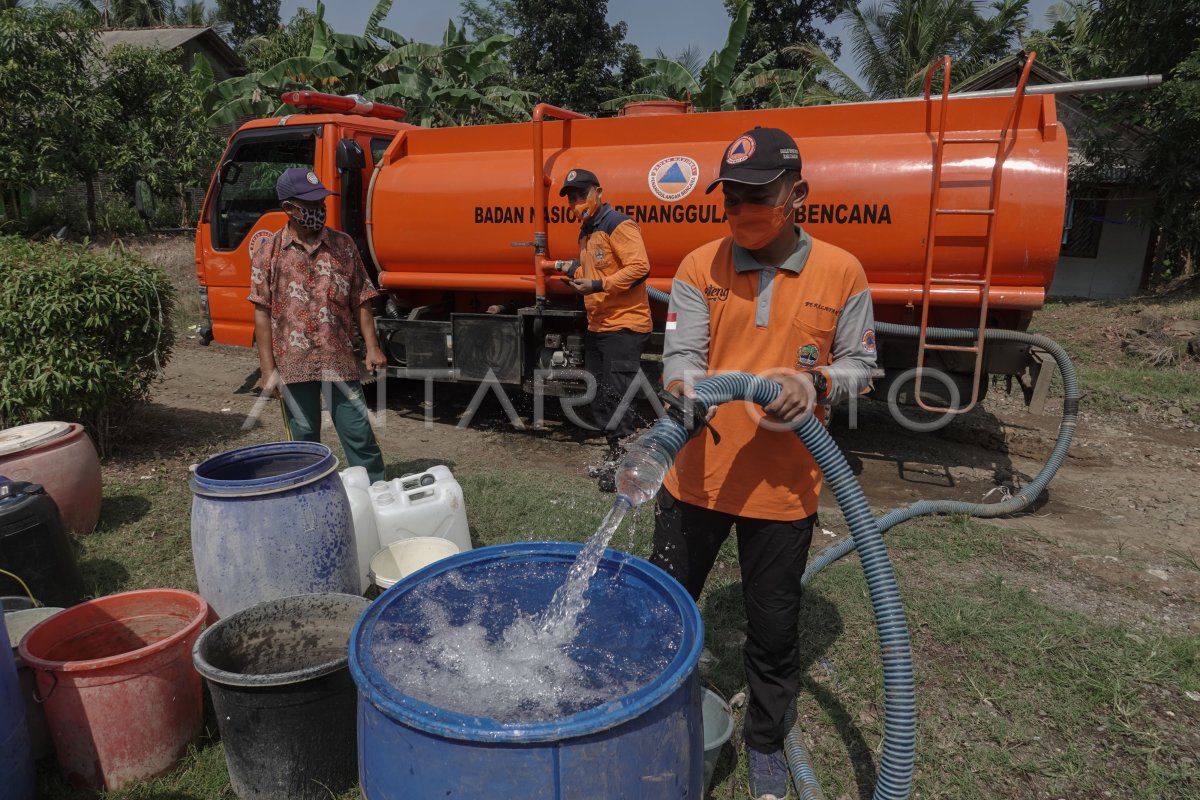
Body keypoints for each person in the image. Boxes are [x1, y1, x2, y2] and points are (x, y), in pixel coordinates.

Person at [651, 127, 877, 800]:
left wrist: (819, 384)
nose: (744, 210)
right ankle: (648, 711)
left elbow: (862, 365)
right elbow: (683, 358)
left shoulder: (842, 272)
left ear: (797, 193)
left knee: (774, 631)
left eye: (759, 196)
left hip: (784, 490)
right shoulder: (699, 267)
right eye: (733, 199)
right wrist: (684, 391)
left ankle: (766, 741)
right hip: (696, 477)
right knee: (662, 611)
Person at [249, 167, 388, 482]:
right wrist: (267, 369)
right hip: (293, 365)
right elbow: (262, 312)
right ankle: (310, 496)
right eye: (310, 205)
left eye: (321, 203)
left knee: (359, 434)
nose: (318, 210)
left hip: (338, 360)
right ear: (288, 208)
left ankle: (377, 495)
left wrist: (372, 347)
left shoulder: (343, 245)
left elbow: (362, 298)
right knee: (304, 444)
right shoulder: (268, 253)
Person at [557, 168, 653, 491]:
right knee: (600, 398)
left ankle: (630, 472)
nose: (576, 203)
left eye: (581, 195)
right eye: (572, 198)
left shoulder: (617, 224)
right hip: (599, 326)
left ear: (598, 192)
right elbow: (595, 267)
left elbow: (640, 268)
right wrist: (575, 271)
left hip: (624, 325)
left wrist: (598, 283)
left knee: (618, 399)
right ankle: (618, 460)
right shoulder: (586, 232)